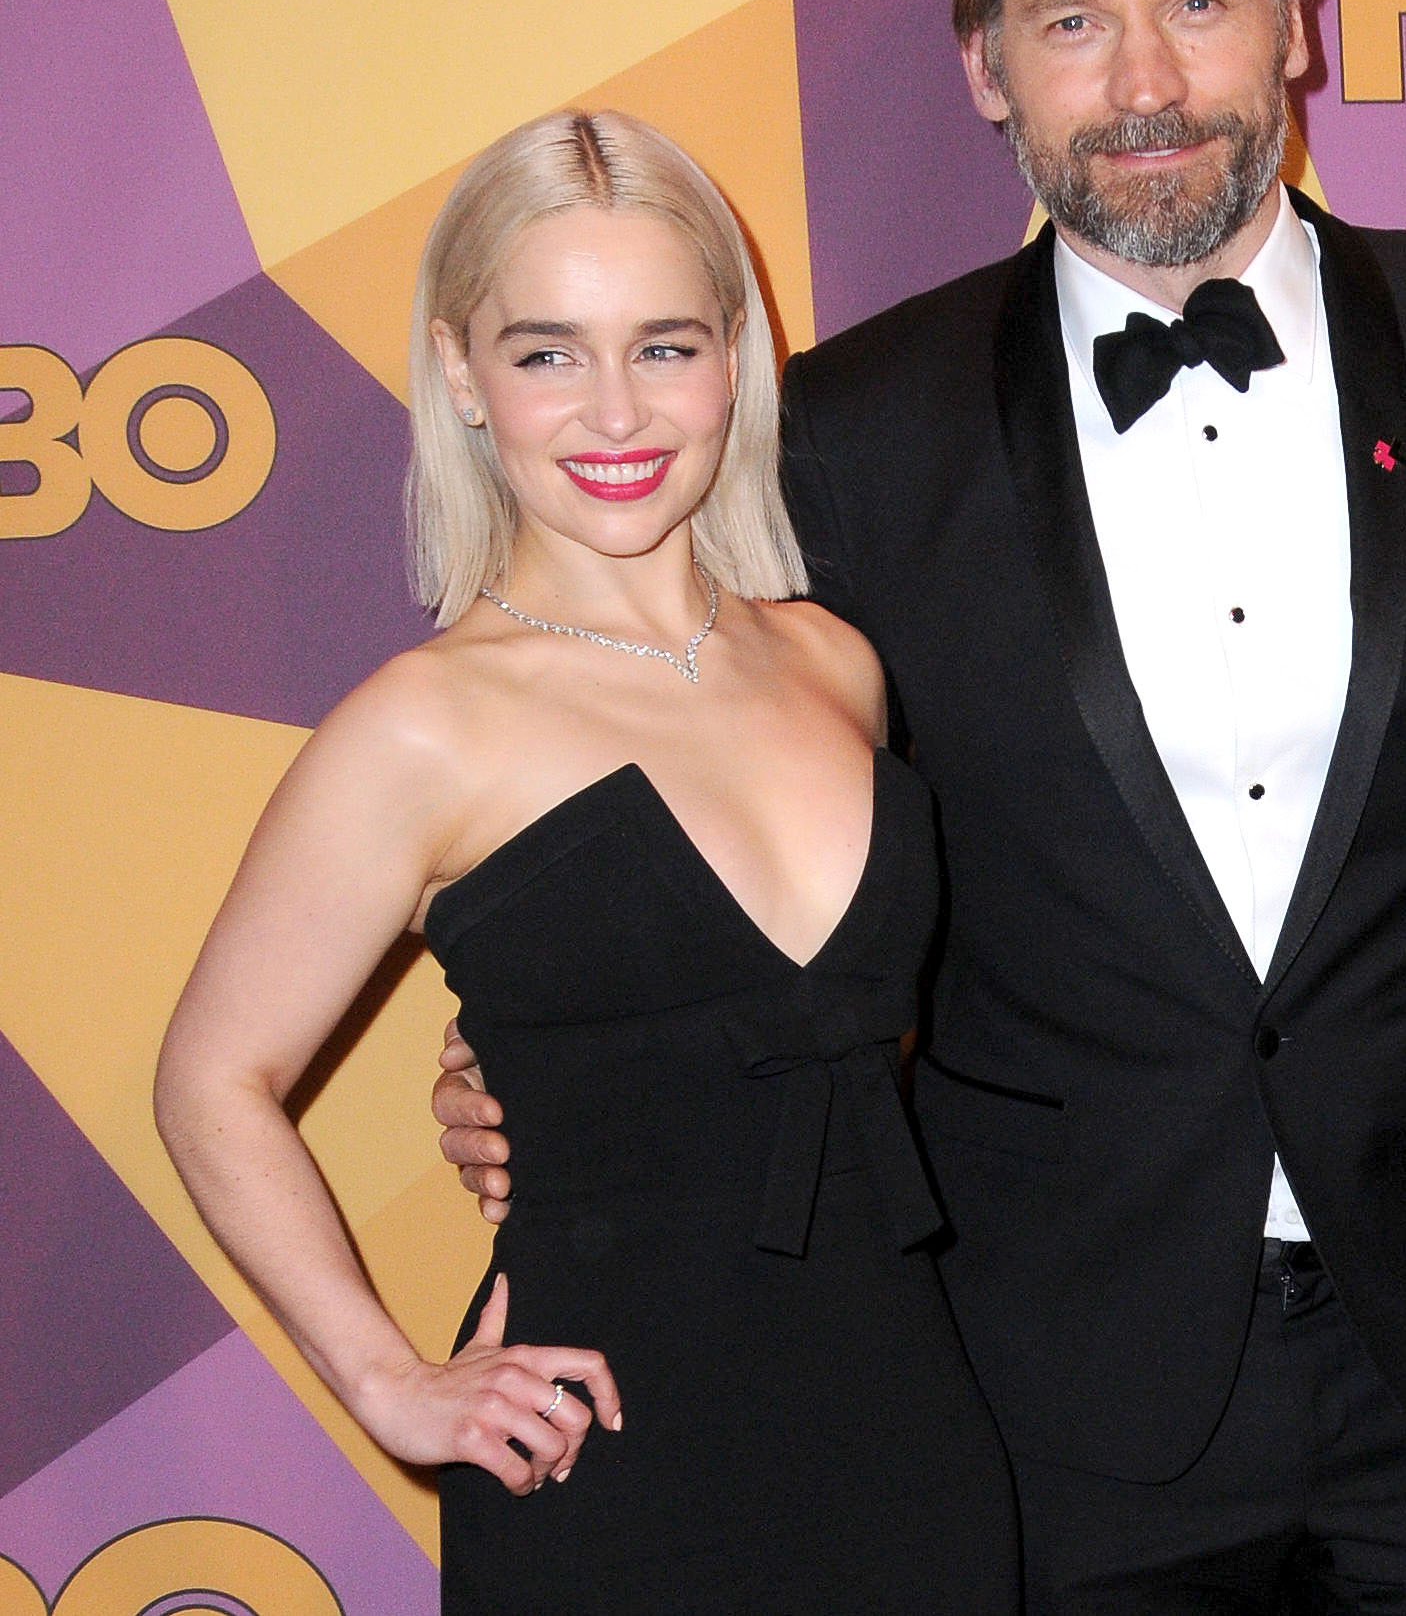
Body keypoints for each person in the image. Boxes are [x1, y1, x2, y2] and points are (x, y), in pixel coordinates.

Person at [437, 0, 1406, 1612]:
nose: (1145, 84)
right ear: (987, 66)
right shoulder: (842, 436)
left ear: (1293, 23)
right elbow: (729, 835)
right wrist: (540, 1071)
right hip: (1046, 1381)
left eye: (1197, 5)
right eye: (1073, 23)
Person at [156, 111, 1018, 1614]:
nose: (616, 412)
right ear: (460, 374)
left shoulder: (835, 664)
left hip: (910, 1440)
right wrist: (387, 1382)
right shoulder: (423, 726)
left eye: (664, 347)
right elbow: (210, 1079)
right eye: (548, 352)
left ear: (736, 358)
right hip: (609, 1470)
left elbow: (843, 1048)